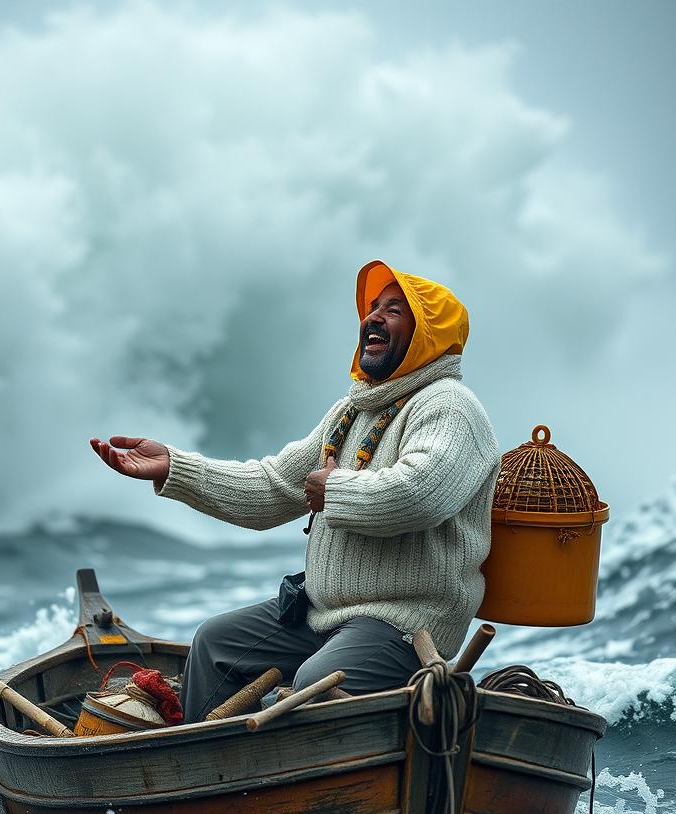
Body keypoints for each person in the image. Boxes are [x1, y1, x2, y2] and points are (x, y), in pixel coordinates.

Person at [90, 260, 500, 723]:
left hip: (405, 626)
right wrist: (175, 467)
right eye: (373, 307)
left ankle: (276, 789)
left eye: (394, 310)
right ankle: (206, 779)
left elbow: (419, 495)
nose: (373, 318)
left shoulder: (452, 407)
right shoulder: (353, 410)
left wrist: (336, 490)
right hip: (323, 615)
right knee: (213, 643)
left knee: (312, 685)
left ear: (427, 332)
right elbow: (272, 487)